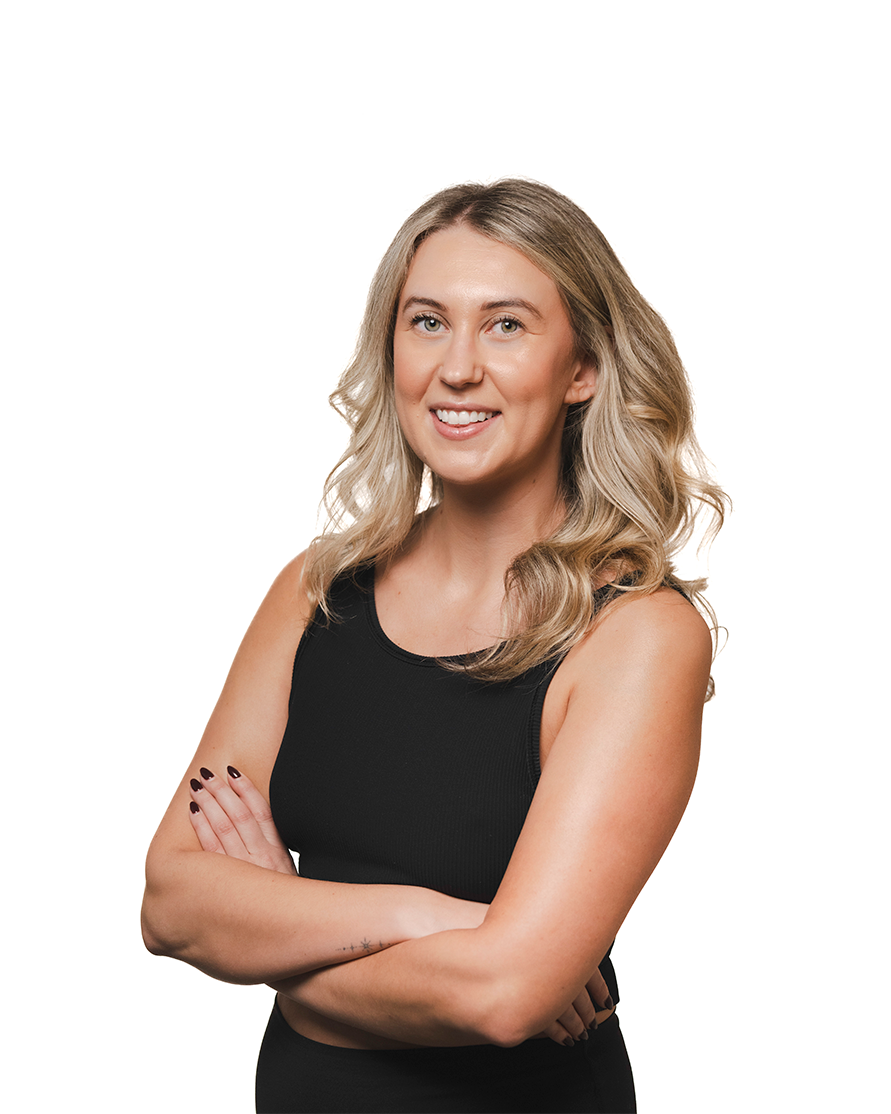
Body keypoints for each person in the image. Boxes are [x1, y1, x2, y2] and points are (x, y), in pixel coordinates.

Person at [142, 179, 726, 1113]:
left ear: (581, 367)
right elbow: (171, 903)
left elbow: (502, 997)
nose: (457, 368)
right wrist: (432, 919)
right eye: (426, 322)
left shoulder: (636, 634)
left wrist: (276, 948)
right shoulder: (315, 591)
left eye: (505, 325)